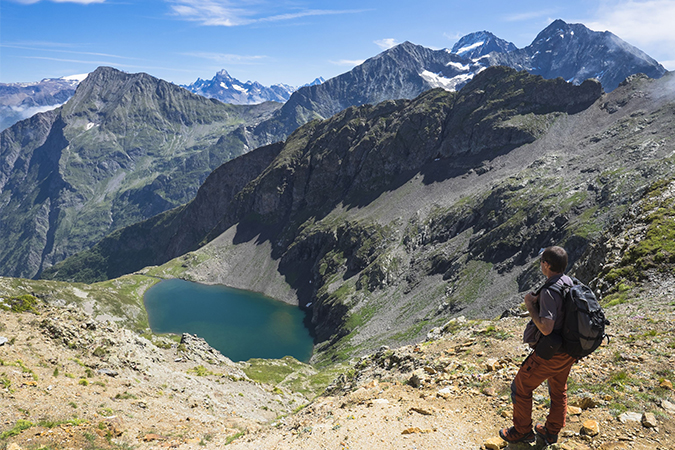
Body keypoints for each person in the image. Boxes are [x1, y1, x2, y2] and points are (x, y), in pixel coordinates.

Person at [499, 246, 576, 446]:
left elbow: (546, 327)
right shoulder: (568, 282)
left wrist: (530, 306)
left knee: (521, 386)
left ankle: (522, 431)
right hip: (568, 351)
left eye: (542, 261)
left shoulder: (550, 291)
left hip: (550, 353)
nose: (540, 264)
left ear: (546, 265)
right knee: (559, 390)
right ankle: (551, 432)